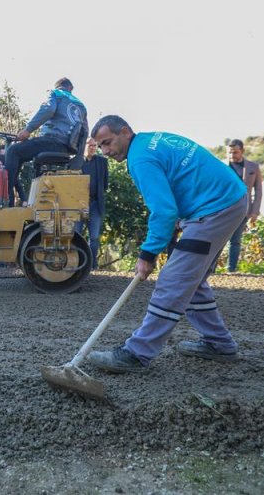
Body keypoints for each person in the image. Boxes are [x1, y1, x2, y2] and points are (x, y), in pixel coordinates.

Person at [85, 116, 247, 373]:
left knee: (173, 280)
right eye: (101, 146)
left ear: (125, 132)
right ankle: (219, 344)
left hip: (216, 207)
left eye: (108, 142)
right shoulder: (149, 142)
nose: (105, 151)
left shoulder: (140, 159)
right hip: (226, 200)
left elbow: (163, 210)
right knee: (190, 281)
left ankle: (136, 354)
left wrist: (147, 254)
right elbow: (175, 195)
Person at [5, 77, 88, 206]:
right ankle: (24, 199)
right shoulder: (81, 106)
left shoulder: (56, 93)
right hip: (66, 149)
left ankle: (4, 199)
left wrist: (28, 130)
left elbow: (48, 109)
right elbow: (85, 132)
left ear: (58, 87)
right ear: (70, 89)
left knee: (13, 151)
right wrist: (78, 158)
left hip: (51, 142)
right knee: (20, 156)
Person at [225, 139, 262, 272]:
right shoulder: (221, 166)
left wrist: (255, 211)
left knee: (235, 240)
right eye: (229, 153)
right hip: (223, 209)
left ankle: (231, 269)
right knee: (218, 239)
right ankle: (211, 269)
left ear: (242, 151)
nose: (232, 156)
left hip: (244, 209)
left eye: (235, 152)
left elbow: (258, 190)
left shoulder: (253, 167)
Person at [74, 138, 109, 269]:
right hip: (78, 205)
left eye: (95, 146)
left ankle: (91, 264)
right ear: (84, 147)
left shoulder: (102, 162)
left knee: (94, 237)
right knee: (76, 235)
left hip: (95, 204)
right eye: (90, 146)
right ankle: (78, 263)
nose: (93, 148)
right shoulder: (76, 162)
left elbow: (105, 184)